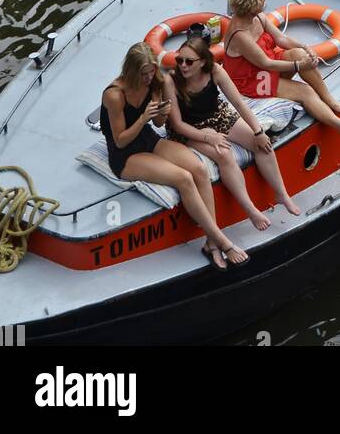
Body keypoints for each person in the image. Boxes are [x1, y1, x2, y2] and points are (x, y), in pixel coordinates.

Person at [100, 43, 248, 272]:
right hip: (125, 154)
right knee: (183, 178)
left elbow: (158, 124)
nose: (150, 77)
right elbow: (120, 140)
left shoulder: (154, 83)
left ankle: (211, 242)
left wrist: (162, 113)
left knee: (198, 169)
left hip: (148, 139)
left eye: (152, 72)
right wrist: (142, 118)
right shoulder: (114, 95)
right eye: (144, 74)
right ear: (131, 71)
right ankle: (223, 242)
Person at [163, 28, 299, 227]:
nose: (183, 65)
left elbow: (238, 103)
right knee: (224, 154)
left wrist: (258, 132)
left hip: (217, 115)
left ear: (202, 62)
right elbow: (177, 124)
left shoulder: (215, 71)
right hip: (189, 127)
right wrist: (208, 137)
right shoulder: (171, 81)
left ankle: (281, 194)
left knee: (261, 144)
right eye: (180, 60)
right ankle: (250, 210)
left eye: (189, 61)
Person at [222, 0, 340, 141]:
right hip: (251, 80)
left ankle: (328, 99)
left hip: (265, 66)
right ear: (250, 8)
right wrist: (299, 65)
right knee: (305, 91)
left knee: (298, 53)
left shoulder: (258, 17)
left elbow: (281, 39)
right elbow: (265, 63)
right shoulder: (240, 36)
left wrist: (305, 48)